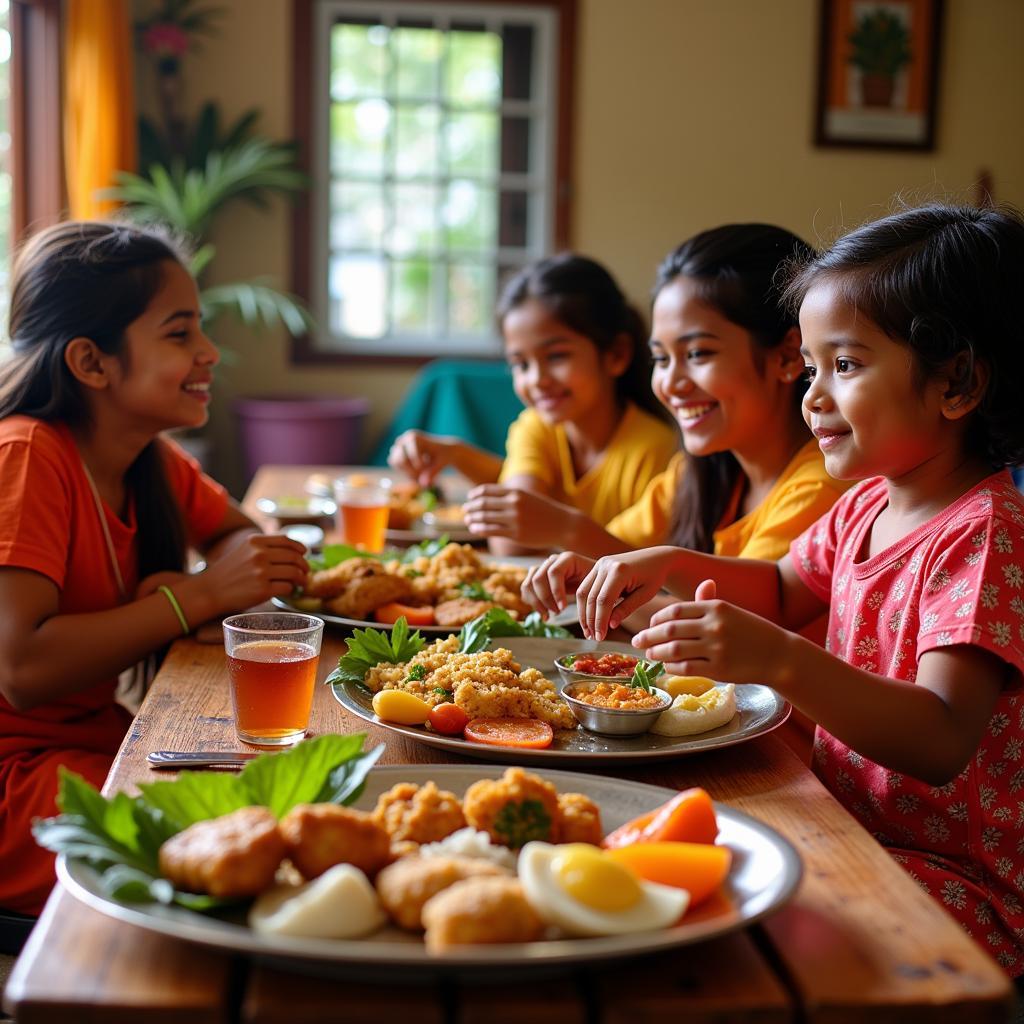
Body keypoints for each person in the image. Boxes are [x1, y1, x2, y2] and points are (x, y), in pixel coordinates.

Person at [524, 205, 1024, 974]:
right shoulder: (867, 501)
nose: (814, 396)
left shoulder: (984, 531)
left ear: (956, 382)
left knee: (718, 946)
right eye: (814, 367)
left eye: (846, 366)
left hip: (950, 878)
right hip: (842, 819)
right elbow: (786, 589)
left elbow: (940, 738)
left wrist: (782, 663)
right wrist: (668, 561)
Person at [0, 221, 310, 916]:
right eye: (179, 334)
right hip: (17, 783)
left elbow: (247, 538)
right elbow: (20, 670)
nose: (209, 352)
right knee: (240, 848)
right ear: (91, 362)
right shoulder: (26, 455)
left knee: (283, 805)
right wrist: (193, 599)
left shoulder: (148, 458)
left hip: (98, 741)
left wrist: (195, 588)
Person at [466, 226, 847, 565]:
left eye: (697, 353)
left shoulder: (819, 488)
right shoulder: (697, 475)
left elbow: (723, 623)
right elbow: (614, 553)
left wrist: (571, 533)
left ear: (785, 356)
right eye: (661, 359)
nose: (670, 383)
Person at [387, 253, 678, 554]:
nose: (537, 379)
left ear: (616, 355)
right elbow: (511, 541)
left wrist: (561, 528)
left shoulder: (654, 450)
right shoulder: (535, 427)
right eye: (520, 364)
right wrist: (457, 454)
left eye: (556, 356)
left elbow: (644, 572)